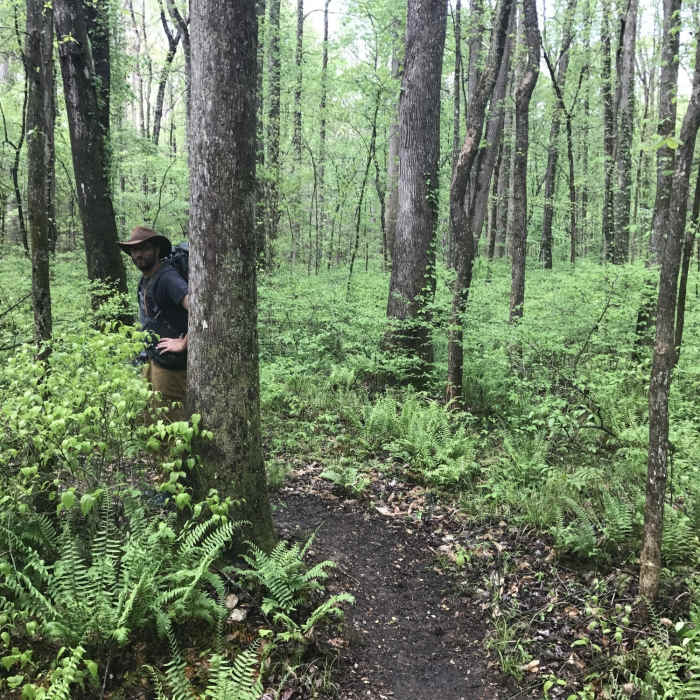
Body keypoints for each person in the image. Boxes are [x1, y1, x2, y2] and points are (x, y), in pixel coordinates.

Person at [119, 226, 189, 419]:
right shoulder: (146, 279)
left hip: (171, 367)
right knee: (151, 419)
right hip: (153, 359)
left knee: (170, 423)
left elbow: (200, 309)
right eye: (134, 250)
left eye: (145, 248)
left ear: (157, 250)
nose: (138, 254)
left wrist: (184, 342)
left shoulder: (168, 279)